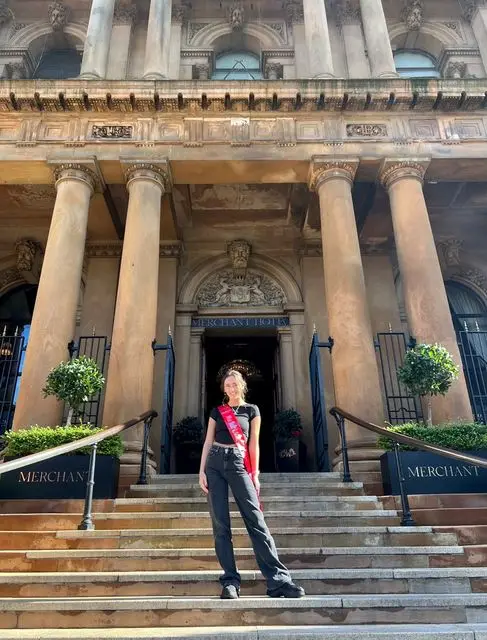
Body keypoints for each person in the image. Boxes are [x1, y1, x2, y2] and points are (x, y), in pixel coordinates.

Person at [199, 369, 305, 600]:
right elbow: (208, 441)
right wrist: (201, 471)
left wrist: (255, 473)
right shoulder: (217, 411)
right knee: (220, 524)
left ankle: (278, 580)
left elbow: (253, 444)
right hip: (215, 463)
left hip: (238, 464)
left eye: (234, 385)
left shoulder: (251, 410)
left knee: (256, 520)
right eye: (227, 385)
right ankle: (230, 581)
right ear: (224, 389)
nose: (231, 389)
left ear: (242, 386)